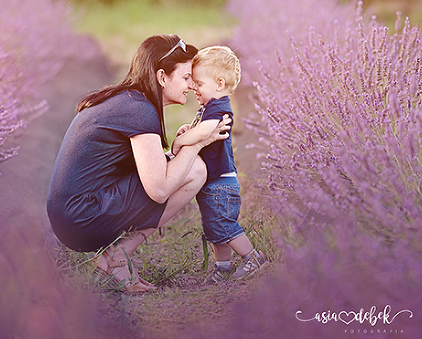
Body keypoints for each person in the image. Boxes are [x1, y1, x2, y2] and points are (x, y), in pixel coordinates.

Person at [47, 35, 231, 293]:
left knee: (182, 166)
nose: (191, 85)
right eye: (187, 77)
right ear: (162, 77)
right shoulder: (140, 109)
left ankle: (114, 261)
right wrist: (197, 144)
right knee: (195, 170)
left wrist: (180, 147)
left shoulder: (132, 100)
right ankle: (116, 260)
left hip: (72, 213)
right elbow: (158, 189)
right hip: (81, 218)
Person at [171, 46, 267, 284]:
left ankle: (253, 257)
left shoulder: (220, 107)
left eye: (199, 83)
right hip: (213, 184)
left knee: (223, 224)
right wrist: (188, 130)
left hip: (220, 184)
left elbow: (205, 132)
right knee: (213, 228)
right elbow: (201, 132)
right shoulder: (209, 108)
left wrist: (180, 141)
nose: (194, 87)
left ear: (220, 83)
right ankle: (223, 267)